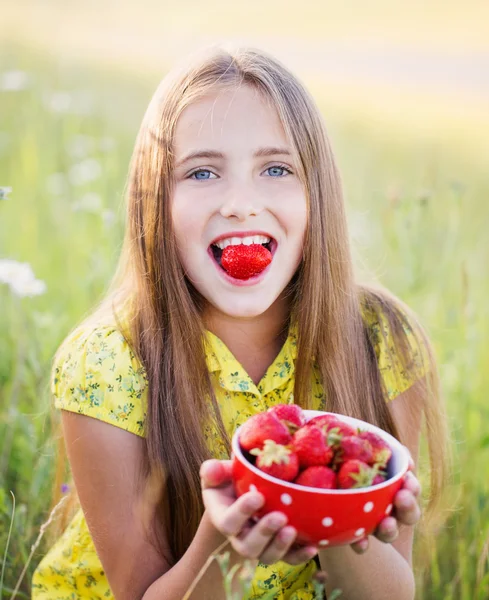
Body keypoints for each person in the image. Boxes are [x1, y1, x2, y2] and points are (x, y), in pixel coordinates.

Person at [32, 44, 450, 599]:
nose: (239, 203)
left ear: (316, 194)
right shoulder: (106, 365)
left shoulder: (381, 341)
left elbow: (388, 594)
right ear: (154, 200)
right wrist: (225, 542)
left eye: (275, 168)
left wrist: (344, 519)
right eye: (203, 172)